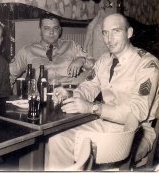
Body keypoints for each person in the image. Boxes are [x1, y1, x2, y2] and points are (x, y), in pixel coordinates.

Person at [45, 13, 159, 170]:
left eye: (116, 31)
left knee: (83, 152)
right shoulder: (104, 60)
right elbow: (89, 86)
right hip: (105, 124)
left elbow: (136, 112)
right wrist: (70, 94)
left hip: (137, 131)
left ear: (129, 33)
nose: (109, 39)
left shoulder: (147, 64)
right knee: (57, 140)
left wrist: (92, 108)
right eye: (105, 33)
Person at [9, 13, 95, 86]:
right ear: (40, 30)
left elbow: (97, 66)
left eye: (55, 28)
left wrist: (82, 60)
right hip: (42, 100)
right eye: (46, 28)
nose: (51, 32)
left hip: (69, 96)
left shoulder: (71, 46)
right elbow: (9, 76)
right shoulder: (27, 51)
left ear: (60, 30)